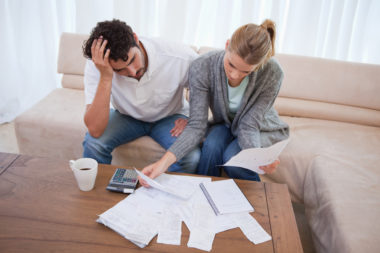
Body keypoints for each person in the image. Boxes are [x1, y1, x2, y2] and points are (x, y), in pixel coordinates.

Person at [139, 19, 289, 186]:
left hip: (258, 127)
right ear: (226, 45)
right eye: (231, 64)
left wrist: (257, 157)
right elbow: (197, 125)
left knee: (234, 160)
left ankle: (260, 204)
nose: (234, 75)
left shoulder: (273, 72)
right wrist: (162, 165)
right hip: (224, 124)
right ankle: (204, 196)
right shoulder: (202, 66)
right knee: (211, 146)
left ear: (260, 64)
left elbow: (249, 125)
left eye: (245, 71)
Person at [82, 19, 200, 173]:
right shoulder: (98, 65)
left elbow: (205, 88)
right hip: (126, 117)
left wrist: (193, 118)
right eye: (120, 70)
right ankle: (98, 196)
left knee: (190, 156)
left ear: (136, 39)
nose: (132, 71)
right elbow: (95, 130)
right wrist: (106, 76)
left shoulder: (179, 56)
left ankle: (167, 196)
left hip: (170, 117)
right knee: (93, 144)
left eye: (132, 59)